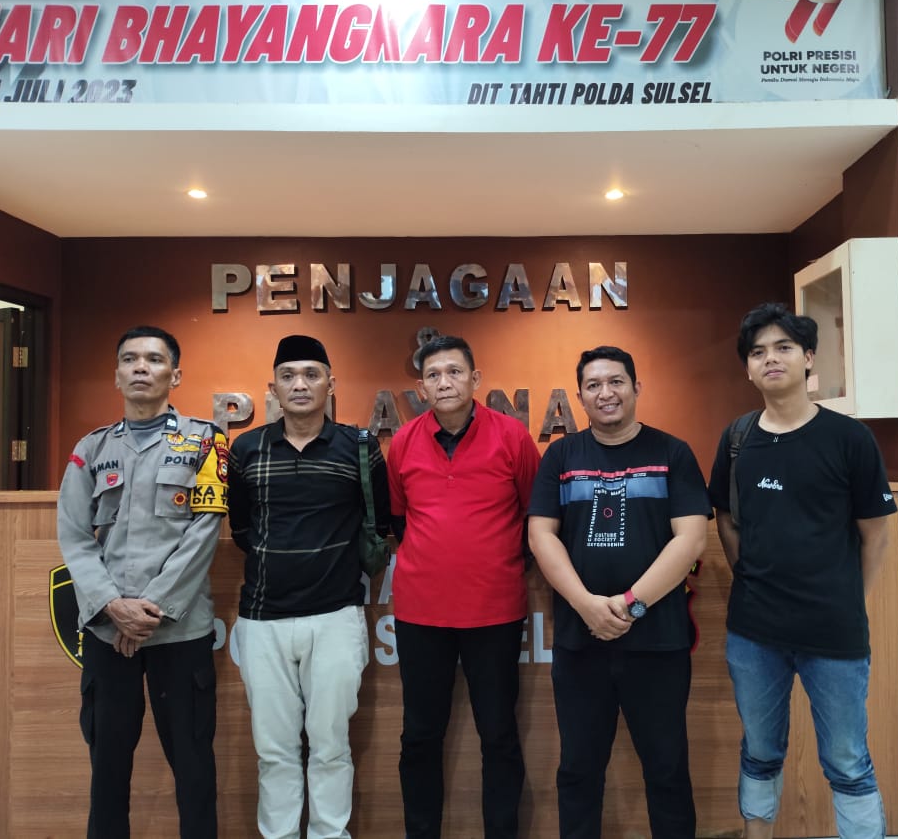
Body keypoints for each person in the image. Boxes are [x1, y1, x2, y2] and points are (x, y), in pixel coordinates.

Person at [708, 303, 897, 839]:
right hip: (754, 633)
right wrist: (754, 580)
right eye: (758, 352)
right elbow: (726, 520)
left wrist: (848, 599)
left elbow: (875, 534)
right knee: (760, 750)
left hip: (833, 633)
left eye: (784, 348)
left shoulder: (849, 438)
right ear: (748, 368)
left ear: (809, 357)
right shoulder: (738, 438)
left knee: (847, 760)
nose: (770, 359)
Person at [527, 345, 710, 839]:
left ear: (636, 388)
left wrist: (630, 606)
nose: (605, 393)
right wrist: (587, 606)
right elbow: (541, 535)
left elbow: (691, 538)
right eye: (593, 385)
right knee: (578, 770)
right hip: (580, 641)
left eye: (616, 382)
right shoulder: (561, 456)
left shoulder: (672, 453)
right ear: (580, 396)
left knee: (667, 770)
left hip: (658, 642)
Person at [57, 324, 228, 839]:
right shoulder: (90, 449)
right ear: (116, 375)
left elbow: (205, 530)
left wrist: (149, 608)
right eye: (130, 359)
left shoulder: (207, 442)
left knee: (194, 767)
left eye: (154, 360)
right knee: (107, 768)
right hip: (109, 633)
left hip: (179, 630)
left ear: (175, 375)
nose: (140, 368)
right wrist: (113, 605)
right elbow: (74, 536)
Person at [228, 334, 388, 839]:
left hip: (336, 616)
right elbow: (241, 529)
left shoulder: (358, 447)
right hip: (262, 620)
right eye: (289, 376)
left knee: (331, 747)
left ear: (330, 384)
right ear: (272, 387)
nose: (300, 384)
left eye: (311, 374)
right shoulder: (246, 449)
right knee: (273, 751)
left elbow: (380, 521)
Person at [387, 334, 540, 839]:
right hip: (420, 613)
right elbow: (400, 521)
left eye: (454, 372)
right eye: (433, 375)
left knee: (498, 734)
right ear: (421, 388)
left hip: (494, 611)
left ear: (475, 379)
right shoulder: (403, 442)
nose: (444, 382)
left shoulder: (512, 437)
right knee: (419, 736)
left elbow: (534, 515)